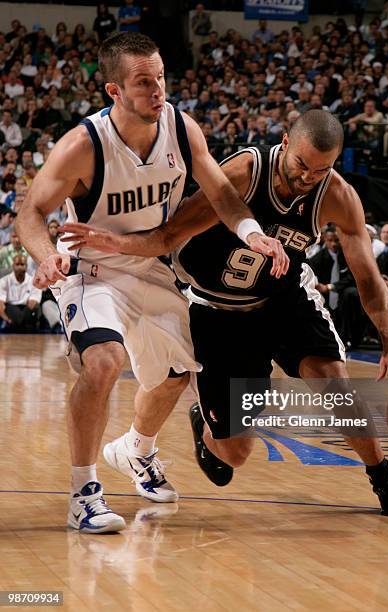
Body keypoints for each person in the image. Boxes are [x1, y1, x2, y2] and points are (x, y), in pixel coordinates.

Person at [61, 110, 388, 518]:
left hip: (282, 299)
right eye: (301, 166)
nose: (307, 178)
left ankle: (384, 478)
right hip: (215, 309)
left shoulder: (338, 196)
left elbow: (367, 278)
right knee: (234, 455)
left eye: (321, 169)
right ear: (285, 143)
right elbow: (169, 235)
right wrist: (116, 244)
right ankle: (201, 426)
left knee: (333, 380)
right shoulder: (243, 172)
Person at [17, 32, 287, 534]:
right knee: (103, 363)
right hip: (91, 270)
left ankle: (135, 451)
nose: (157, 90)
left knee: (176, 375)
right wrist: (45, 255)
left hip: (149, 266)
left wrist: (254, 234)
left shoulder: (182, 130)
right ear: (114, 92)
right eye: (144, 82)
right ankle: (83, 493)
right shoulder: (83, 146)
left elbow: (223, 194)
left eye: (161, 78)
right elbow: (30, 213)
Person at [0, 254, 41, 332]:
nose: (19, 267)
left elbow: (33, 302)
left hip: (27, 309)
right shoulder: (4, 281)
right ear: (13, 266)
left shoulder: (34, 281)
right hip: (10, 308)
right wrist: (6, 319)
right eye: (17, 264)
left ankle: (16, 326)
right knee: (9, 309)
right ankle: (23, 326)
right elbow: (1, 304)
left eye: (22, 264)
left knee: (36, 308)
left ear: (26, 266)